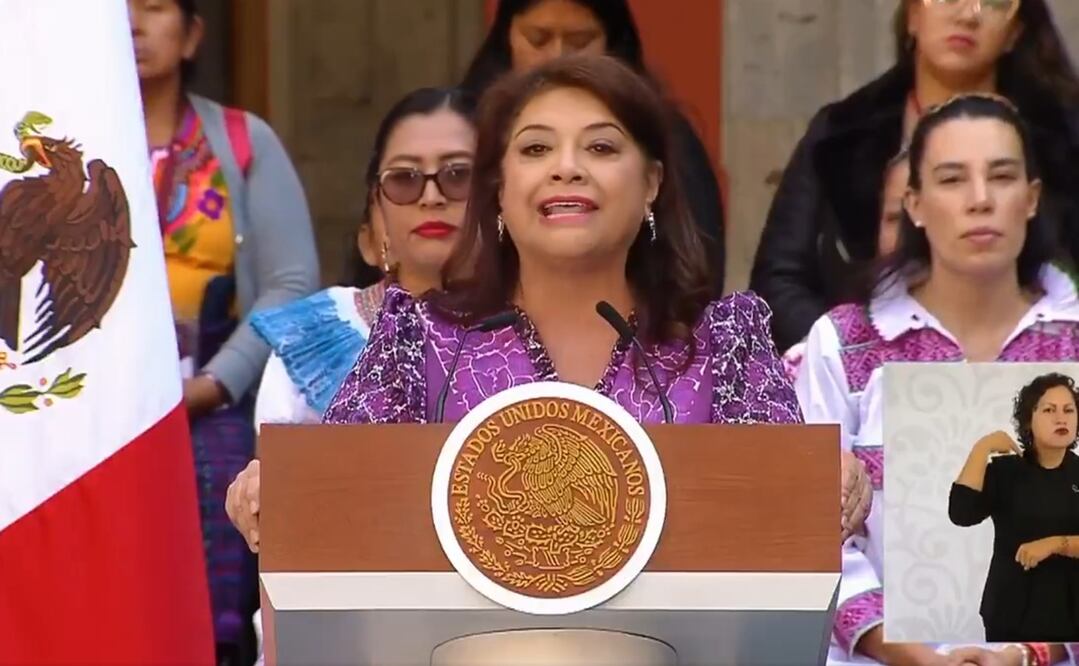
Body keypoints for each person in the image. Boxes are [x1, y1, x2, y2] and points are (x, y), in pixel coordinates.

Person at [795, 94, 1079, 665]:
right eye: (952, 180)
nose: (980, 201)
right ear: (915, 205)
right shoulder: (843, 343)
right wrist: (914, 655)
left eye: (1001, 177)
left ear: (1032, 198)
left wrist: (1028, 653)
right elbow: (806, 534)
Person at [130, 0, 319, 660]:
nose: (131, 24)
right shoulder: (36, 144)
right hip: (74, 399)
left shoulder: (243, 140)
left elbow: (291, 285)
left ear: (192, 34)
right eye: (113, 9)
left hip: (206, 393)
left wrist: (214, 384)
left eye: (152, 7)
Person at [751, 0, 1079, 354]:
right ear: (912, 16)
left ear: (1016, 33)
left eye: (995, 1)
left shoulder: (1064, 141)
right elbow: (779, 280)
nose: (969, 13)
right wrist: (854, 352)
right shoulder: (841, 132)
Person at [462, 0, 727, 293]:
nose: (557, 56)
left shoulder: (663, 132)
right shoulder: (460, 127)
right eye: (536, 149)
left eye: (601, 148)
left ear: (652, 181)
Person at [250, 87, 475, 427]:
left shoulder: (539, 326)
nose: (431, 197)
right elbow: (277, 474)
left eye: (458, 175)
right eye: (404, 178)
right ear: (376, 207)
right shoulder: (311, 336)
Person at [950, 373, 1079, 643]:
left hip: (1071, 612)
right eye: (1048, 410)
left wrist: (1056, 543)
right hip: (1011, 612)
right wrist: (981, 449)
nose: (1061, 418)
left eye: (1069, 410)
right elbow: (961, 514)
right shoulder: (1005, 471)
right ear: (1028, 421)